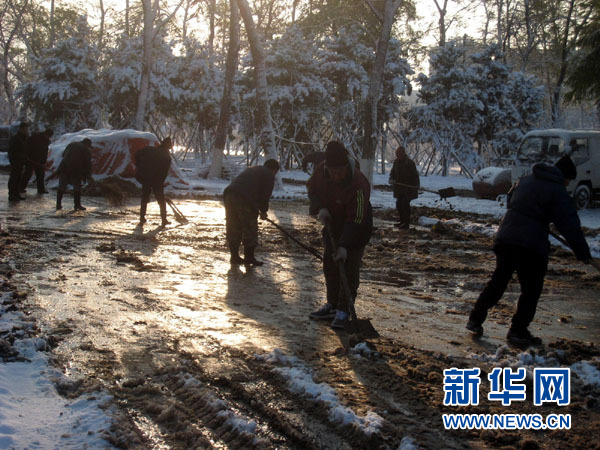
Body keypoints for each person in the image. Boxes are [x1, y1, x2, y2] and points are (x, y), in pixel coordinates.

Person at [466, 155, 599, 347]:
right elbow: (569, 224)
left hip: (506, 235)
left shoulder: (527, 179)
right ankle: (518, 331)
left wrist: (532, 215)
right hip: (529, 244)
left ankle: (475, 319)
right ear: (565, 176)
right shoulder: (557, 189)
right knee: (531, 289)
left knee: (499, 280)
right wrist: (583, 252)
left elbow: (511, 199)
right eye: (569, 179)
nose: (569, 183)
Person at [307, 141, 373, 329]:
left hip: (356, 227)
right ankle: (333, 306)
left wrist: (345, 245)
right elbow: (311, 189)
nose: (336, 176)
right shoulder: (321, 171)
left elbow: (357, 219)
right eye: (333, 171)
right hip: (332, 222)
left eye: (340, 171)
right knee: (330, 264)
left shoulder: (359, 184)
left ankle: (344, 310)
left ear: (347, 166)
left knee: (349, 268)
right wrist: (320, 208)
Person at [223, 159, 280, 266]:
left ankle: (234, 257)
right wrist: (263, 211)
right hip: (244, 199)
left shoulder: (253, 169)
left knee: (233, 226)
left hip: (229, 194)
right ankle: (249, 258)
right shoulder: (268, 175)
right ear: (274, 170)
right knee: (250, 228)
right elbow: (265, 195)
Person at [134, 137, 173, 226]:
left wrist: (138, 166)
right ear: (168, 147)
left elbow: (137, 154)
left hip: (146, 178)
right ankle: (164, 220)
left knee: (144, 198)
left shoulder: (149, 149)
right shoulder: (167, 157)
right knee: (161, 200)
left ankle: (142, 218)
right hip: (156, 181)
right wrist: (160, 183)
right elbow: (164, 173)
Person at [56, 138, 93, 211]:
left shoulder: (71, 145)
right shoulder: (85, 150)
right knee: (77, 187)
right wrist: (88, 174)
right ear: (87, 144)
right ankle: (77, 205)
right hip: (75, 170)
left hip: (64, 167)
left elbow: (64, 155)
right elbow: (87, 163)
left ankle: (58, 204)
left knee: (62, 186)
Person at [388, 145, 419, 229]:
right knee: (399, 204)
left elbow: (415, 176)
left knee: (405, 205)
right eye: (396, 154)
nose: (397, 155)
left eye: (398, 154)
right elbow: (392, 172)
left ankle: (406, 224)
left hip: (408, 189)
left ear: (403, 153)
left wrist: (415, 185)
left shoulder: (409, 163)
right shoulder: (396, 162)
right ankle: (402, 221)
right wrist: (391, 179)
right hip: (399, 189)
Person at [21, 128, 53, 194]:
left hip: (40, 161)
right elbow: (27, 146)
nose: (48, 137)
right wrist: (27, 156)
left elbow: (44, 152)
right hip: (30, 159)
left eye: (49, 137)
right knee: (28, 173)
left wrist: (44, 162)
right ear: (45, 133)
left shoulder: (46, 141)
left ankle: (41, 190)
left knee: (40, 174)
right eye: (48, 136)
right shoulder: (35, 137)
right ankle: (21, 188)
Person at [7, 121, 29, 202]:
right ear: (21, 129)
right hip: (16, 161)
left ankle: (16, 194)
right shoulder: (15, 138)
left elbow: (24, 150)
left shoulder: (24, 138)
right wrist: (14, 160)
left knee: (18, 178)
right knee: (14, 178)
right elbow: (12, 151)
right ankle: (11, 194)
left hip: (21, 161)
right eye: (26, 129)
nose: (27, 131)